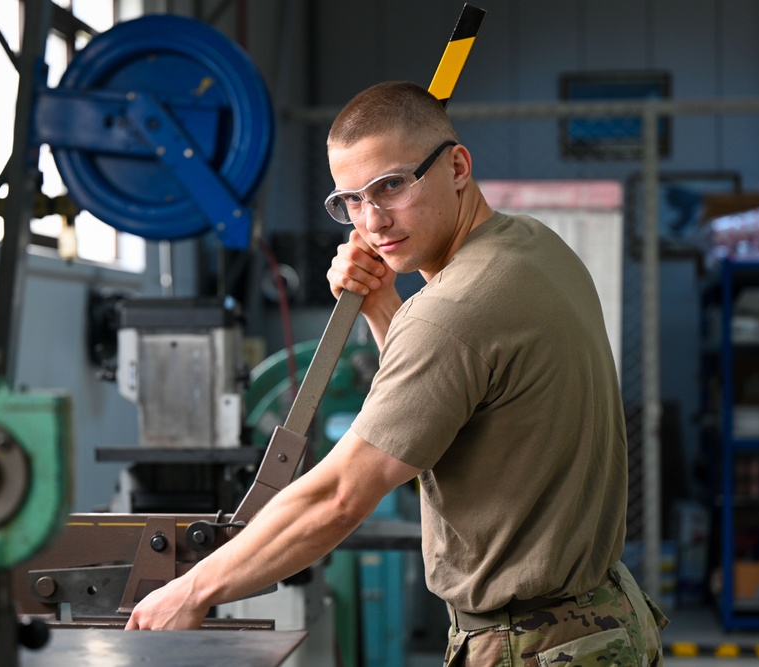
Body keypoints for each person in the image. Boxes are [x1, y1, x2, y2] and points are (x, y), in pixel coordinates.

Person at [126, 80, 668, 666]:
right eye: (351, 200)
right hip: (599, 621)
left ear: (457, 166)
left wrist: (192, 589)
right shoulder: (531, 245)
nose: (373, 220)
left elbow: (339, 495)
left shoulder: (453, 314)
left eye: (391, 185)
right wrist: (385, 304)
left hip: (533, 644)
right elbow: (446, 402)